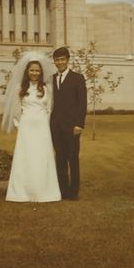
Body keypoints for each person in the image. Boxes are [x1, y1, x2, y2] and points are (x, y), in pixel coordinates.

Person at [1, 51, 61, 203]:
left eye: (37, 70)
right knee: (26, 158)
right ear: (27, 71)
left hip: (42, 128)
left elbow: (49, 109)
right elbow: (16, 110)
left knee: (42, 157)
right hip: (26, 128)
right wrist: (19, 125)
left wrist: (46, 124)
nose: (35, 73)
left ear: (41, 72)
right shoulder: (20, 89)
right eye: (32, 70)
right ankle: (22, 192)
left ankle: (45, 191)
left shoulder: (47, 89)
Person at [50, 47, 87, 200]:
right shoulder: (51, 79)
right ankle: (63, 190)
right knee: (60, 158)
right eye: (57, 60)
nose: (60, 62)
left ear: (67, 60)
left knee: (73, 158)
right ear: (54, 61)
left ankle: (73, 192)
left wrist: (79, 124)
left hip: (73, 126)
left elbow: (82, 103)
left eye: (62, 59)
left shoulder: (77, 78)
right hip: (56, 126)